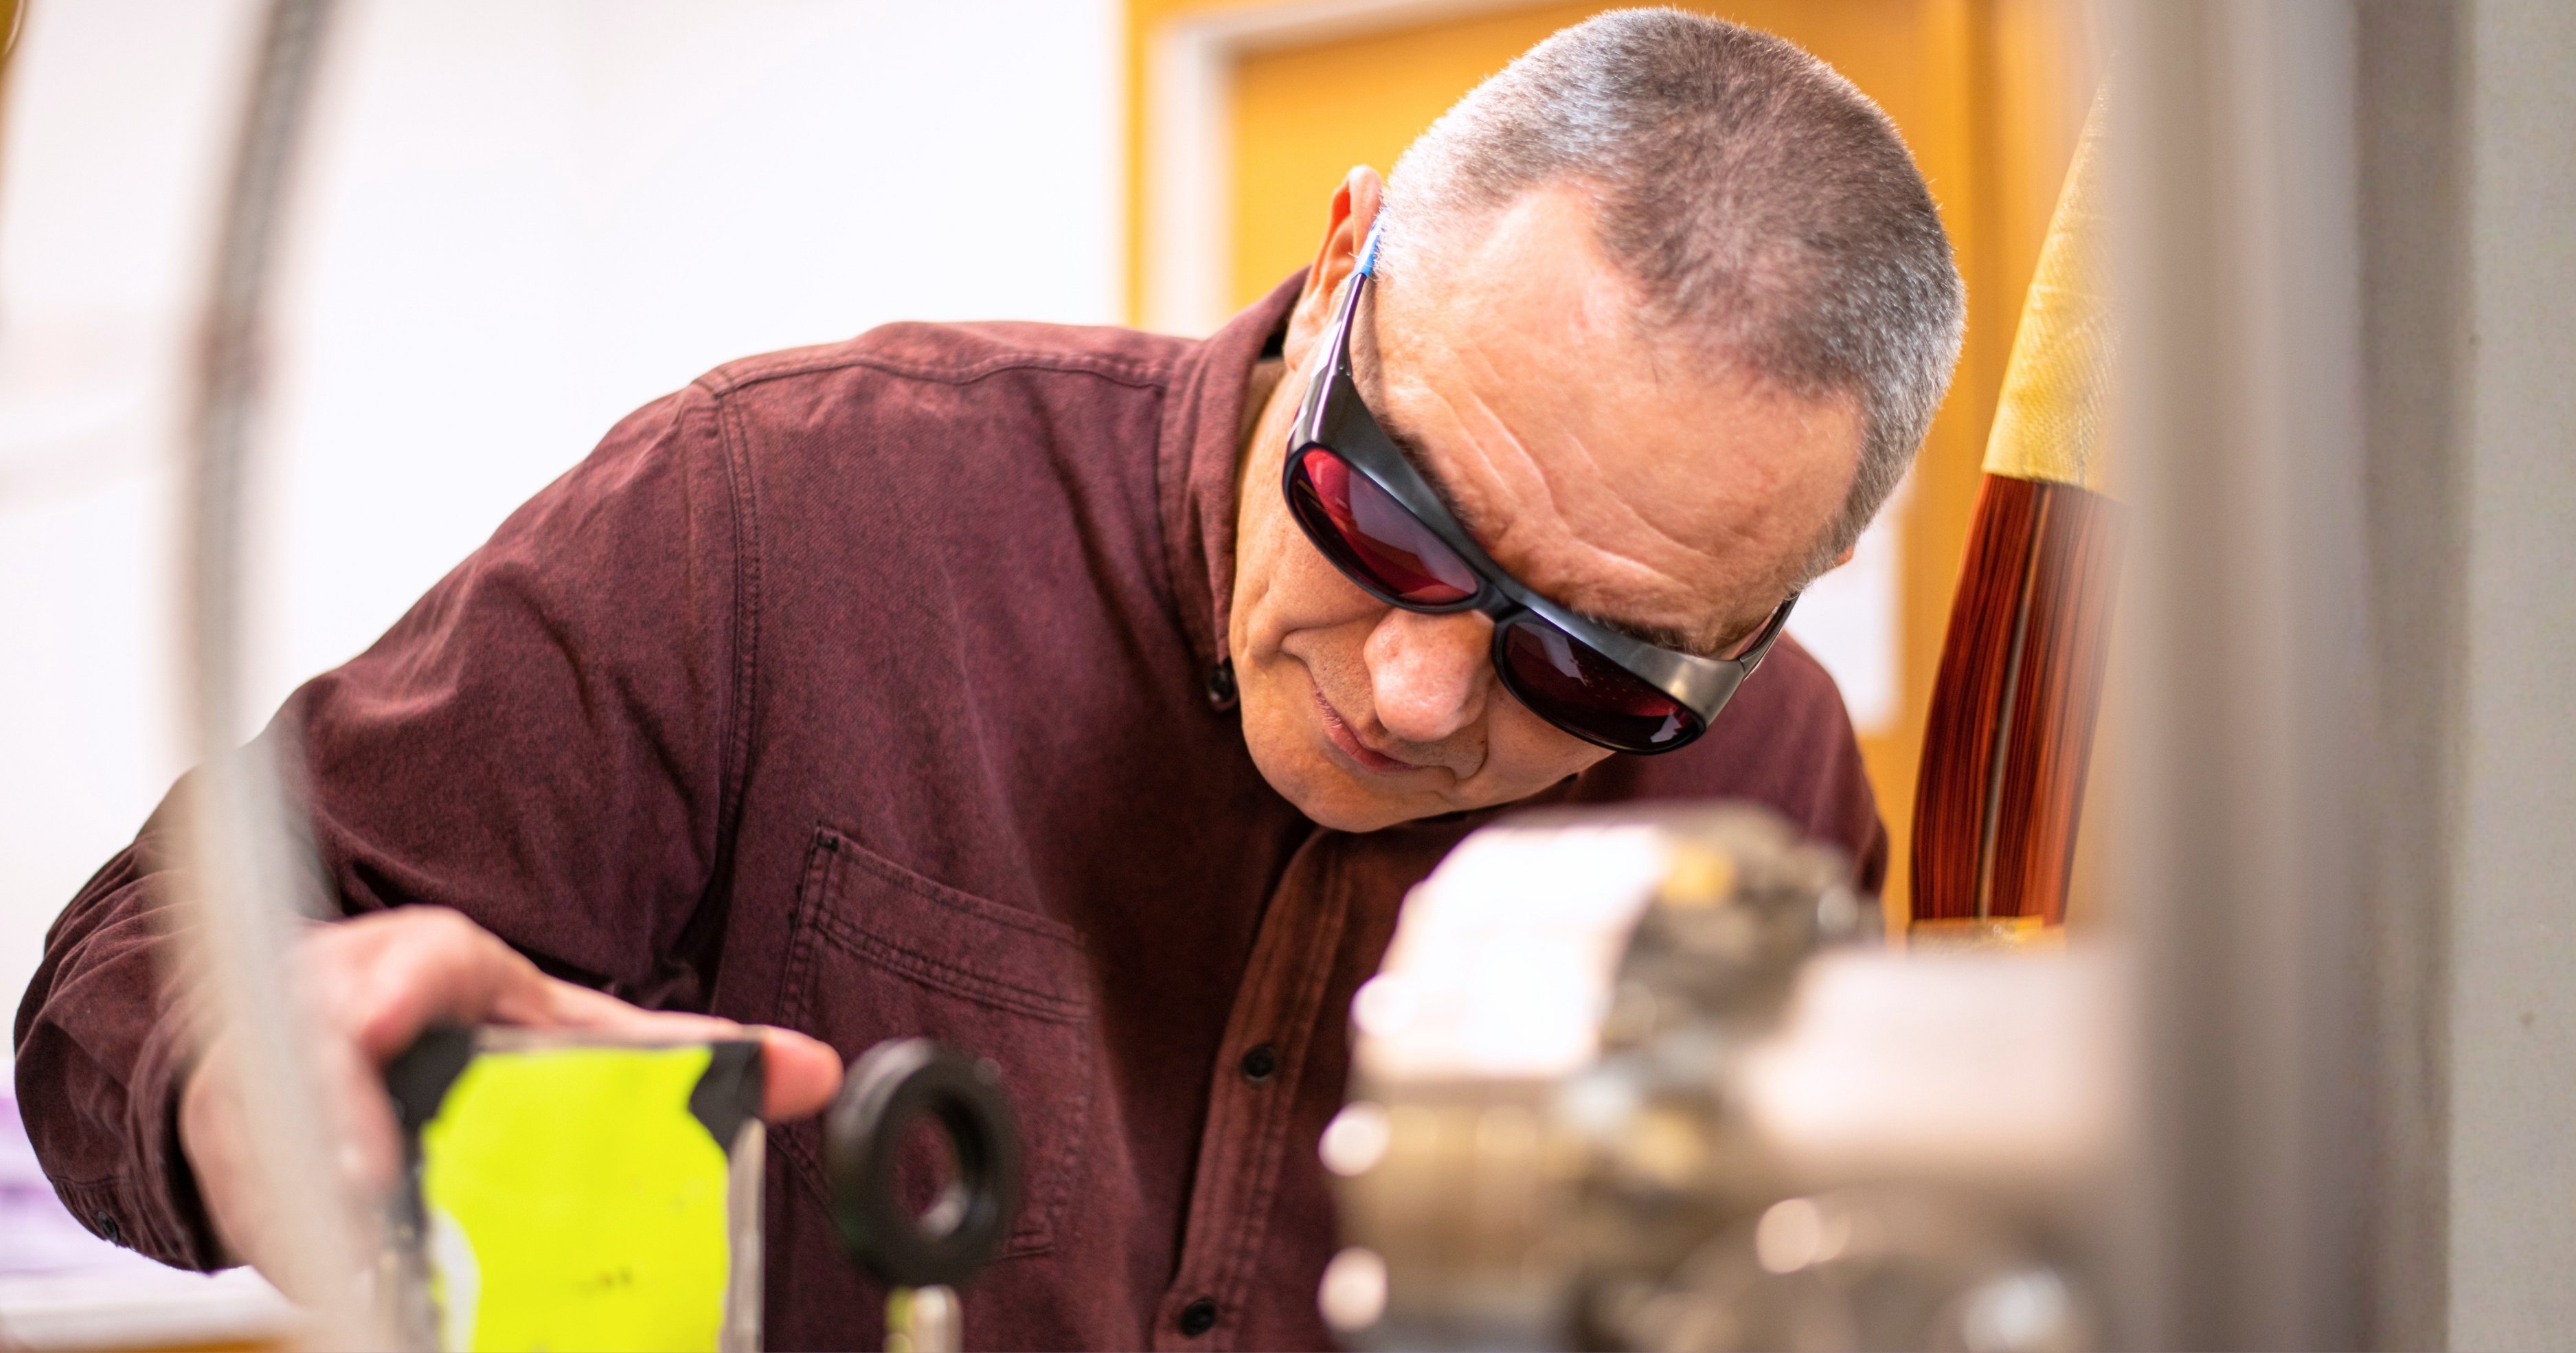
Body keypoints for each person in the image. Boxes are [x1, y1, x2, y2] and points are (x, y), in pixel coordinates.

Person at [15, 10, 1961, 1350]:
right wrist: (257, 1069)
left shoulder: (1763, 801)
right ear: (1344, 251)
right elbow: (124, 980)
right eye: (1386, 512)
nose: (1419, 689)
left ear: (1778, 600)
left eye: (1585, 665)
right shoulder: (779, 512)